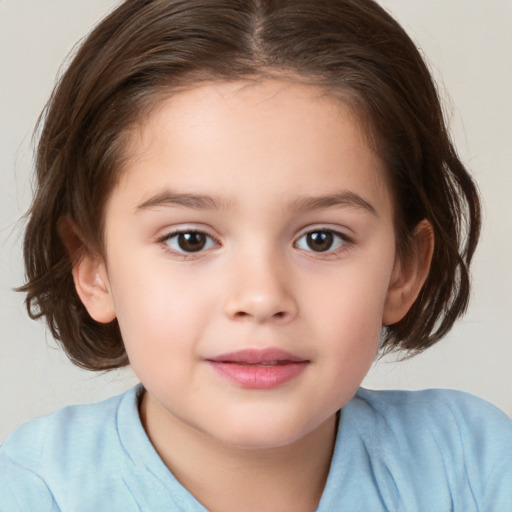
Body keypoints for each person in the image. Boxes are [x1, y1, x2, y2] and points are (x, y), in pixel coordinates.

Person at [1, 0, 511, 510]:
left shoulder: (471, 466)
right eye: (190, 239)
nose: (262, 297)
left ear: (404, 267)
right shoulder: (34, 492)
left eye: (321, 238)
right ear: (94, 268)